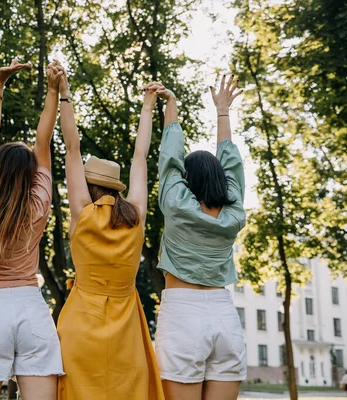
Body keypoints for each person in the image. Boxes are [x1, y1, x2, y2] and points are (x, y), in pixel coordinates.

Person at [55, 63, 165, 399]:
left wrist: (64, 94)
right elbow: (140, 157)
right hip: (126, 331)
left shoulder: (82, 213)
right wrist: (148, 106)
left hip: (79, 325)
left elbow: (71, 149)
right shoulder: (136, 217)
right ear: (115, 188)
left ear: (90, 186)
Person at [0, 59, 64, 400]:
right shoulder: (38, 204)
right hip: (31, 309)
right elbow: (43, 141)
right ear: (32, 175)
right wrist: (52, 90)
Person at [153, 76, 246, 400]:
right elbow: (231, 163)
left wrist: (171, 104)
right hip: (224, 314)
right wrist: (223, 111)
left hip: (182, 316)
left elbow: (170, 159)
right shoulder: (233, 214)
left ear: (186, 179)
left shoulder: (177, 205)